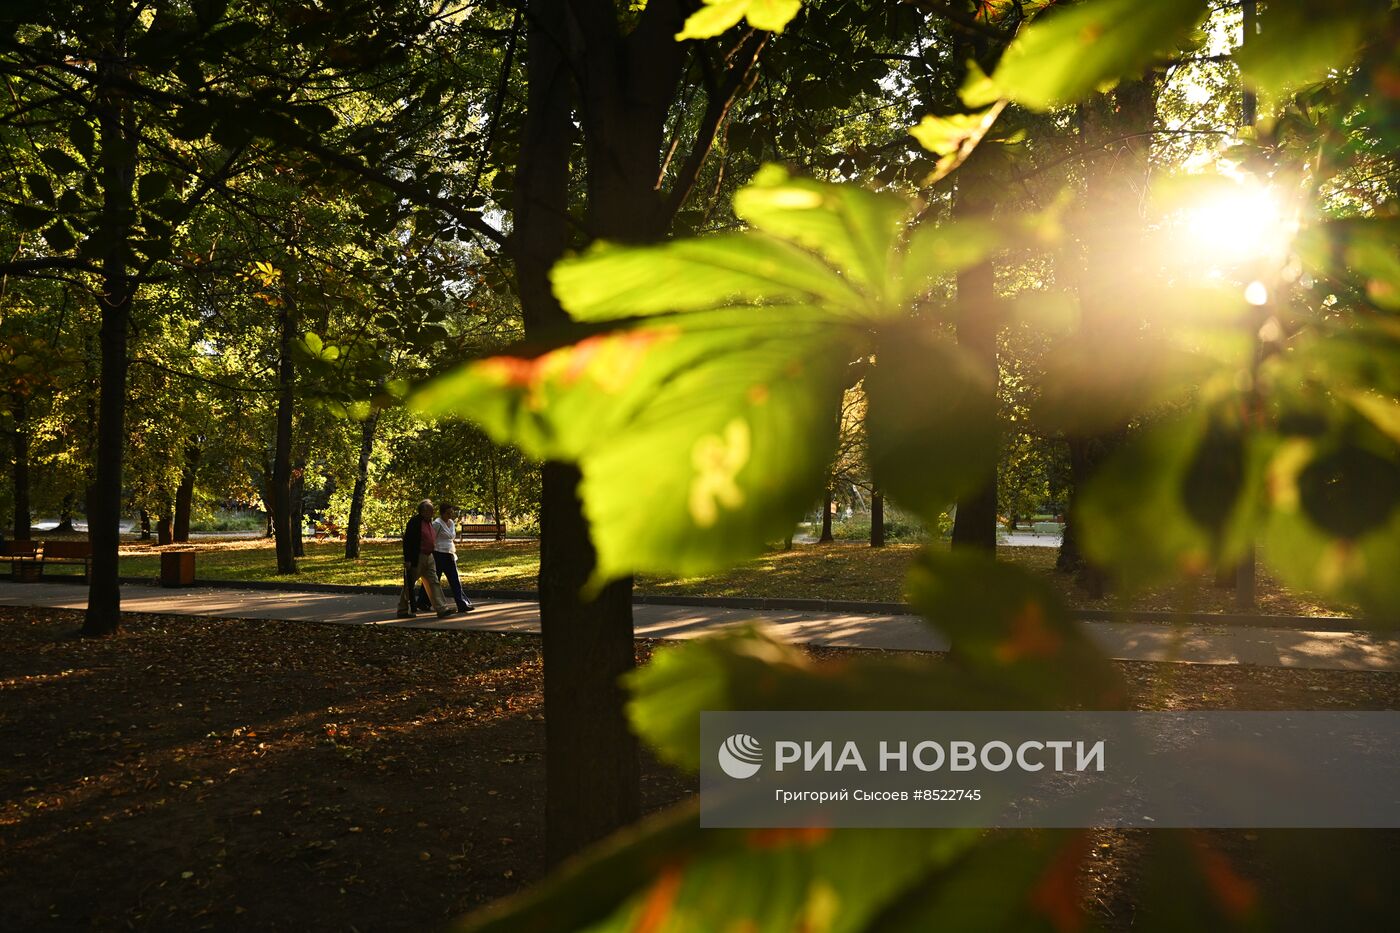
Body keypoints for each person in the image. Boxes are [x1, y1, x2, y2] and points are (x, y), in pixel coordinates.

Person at [398, 499, 455, 619]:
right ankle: (402, 609)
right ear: (423, 511)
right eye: (430, 510)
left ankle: (441, 608)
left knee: (434, 582)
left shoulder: (429, 522)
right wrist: (408, 559)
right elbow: (408, 542)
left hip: (429, 556)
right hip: (417, 557)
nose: (433, 512)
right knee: (409, 584)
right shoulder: (414, 522)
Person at [415, 503, 474, 613]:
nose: (450, 515)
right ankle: (422, 602)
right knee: (433, 581)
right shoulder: (437, 524)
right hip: (438, 554)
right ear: (442, 513)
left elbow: (451, 537)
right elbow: (431, 538)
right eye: (448, 513)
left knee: (455, 580)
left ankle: (461, 603)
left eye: (452, 512)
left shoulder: (451, 523)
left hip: (449, 554)